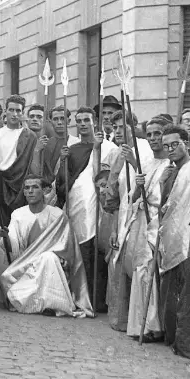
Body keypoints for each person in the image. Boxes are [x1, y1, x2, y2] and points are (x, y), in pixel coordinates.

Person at [106, 115, 170, 341]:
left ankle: (154, 325)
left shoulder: (169, 165)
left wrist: (134, 165)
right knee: (140, 271)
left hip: (157, 223)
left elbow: (165, 197)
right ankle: (141, 323)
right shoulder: (149, 162)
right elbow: (132, 195)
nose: (153, 138)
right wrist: (137, 191)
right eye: (150, 133)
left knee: (150, 271)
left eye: (158, 134)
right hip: (140, 221)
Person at [0, 175, 94, 317]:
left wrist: (51, 256)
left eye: (35, 187)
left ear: (45, 191)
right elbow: (14, 247)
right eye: (27, 188)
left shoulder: (58, 215)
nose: (30, 191)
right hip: (26, 265)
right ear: (23, 192)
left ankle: (52, 304)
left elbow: (67, 249)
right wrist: (5, 237)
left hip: (53, 266)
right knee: (5, 278)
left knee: (47, 258)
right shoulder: (18, 214)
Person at [57, 107, 117, 310]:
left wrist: (98, 149)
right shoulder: (72, 149)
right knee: (81, 248)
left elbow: (107, 176)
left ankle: (97, 298)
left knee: (97, 248)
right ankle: (80, 295)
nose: (82, 124)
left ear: (95, 121)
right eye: (79, 120)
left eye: (86, 120)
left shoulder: (108, 147)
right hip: (78, 205)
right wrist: (64, 161)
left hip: (99, 205)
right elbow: (63, 183)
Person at [157, 125, 190, 357]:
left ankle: (188, 343)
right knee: (172, 289)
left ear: (186, 142)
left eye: (175, 144)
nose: (170, 150)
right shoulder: (171, 171)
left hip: (188, 237)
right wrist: (161, 184)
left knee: (187, 291)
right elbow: (165, 205)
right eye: (166, 147)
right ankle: (173, 336)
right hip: (172, 237)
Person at [0, 95, 37, 228]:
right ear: (5, 111)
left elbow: (32, 164)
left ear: (22, 112)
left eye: (18, 111)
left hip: (20, 185)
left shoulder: (29, 135)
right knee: (1, 224)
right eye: (11, 110)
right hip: (1, 184)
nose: (15, 114)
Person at [26, 104, 65, 198]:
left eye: (39, 117)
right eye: (32, 116)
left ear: (46, 121)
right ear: (27, 120)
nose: (35, 119)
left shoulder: (51, 143)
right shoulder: (22, 141)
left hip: (48, 192)